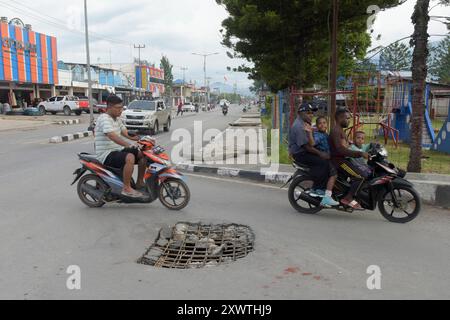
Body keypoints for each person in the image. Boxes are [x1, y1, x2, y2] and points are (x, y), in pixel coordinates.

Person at [95, 95, 147, 198]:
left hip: (117, 150)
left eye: (122, 107)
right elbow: (111, 135)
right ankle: (126, 188)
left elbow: (126, 133)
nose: (121, 110)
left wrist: (141, 138)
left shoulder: (117, 119)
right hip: (106, 153)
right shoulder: (104, 118)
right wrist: (128, 144)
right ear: (109, 107)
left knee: (143, 154)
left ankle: (139, 182)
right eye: (118, 108)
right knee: (130, 157)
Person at [288, 103, 339, 207]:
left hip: (304, 150)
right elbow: (307, 147)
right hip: (300, 154)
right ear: (301, 113)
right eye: (308, 113)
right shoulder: (299, 126)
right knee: (323, 163)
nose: (311, 115)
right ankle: (318, 189)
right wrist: (321, 154)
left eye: (312, 113)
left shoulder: (305, 123)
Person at [329, 108, 370, 210]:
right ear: (339, 118)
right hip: (338, 162)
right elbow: (340, 150)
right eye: (347, 118)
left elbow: (344, 146)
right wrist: (359, 153)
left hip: (342, 160)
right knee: (361, 176)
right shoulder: (335, 130)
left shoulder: (340, 130)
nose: (349, 120)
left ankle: (346, 196)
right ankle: (348, 198)